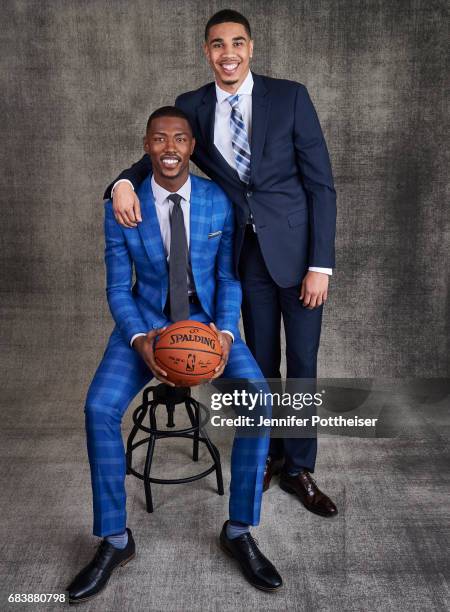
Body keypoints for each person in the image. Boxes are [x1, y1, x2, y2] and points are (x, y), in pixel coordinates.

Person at [106, 10, 338, 518]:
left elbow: (320, 183)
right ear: (206, 52)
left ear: (250, 48)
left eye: (236, 43)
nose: (227, 53)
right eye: (217, 44)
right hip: (243, 258)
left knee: (302, 364)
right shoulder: (193, 105)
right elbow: (161, 154)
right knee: (261, 362)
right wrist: (122, 182)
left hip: (299, 256)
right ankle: (268, 453)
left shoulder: (290, 96)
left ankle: (300, 466)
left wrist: (321, 263)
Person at [67, 107, 282, 603]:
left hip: (206, 327)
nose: (170, 149)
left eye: (180, 140)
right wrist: (142, 339)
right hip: (145, 325)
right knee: (98, 407)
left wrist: (226, 336)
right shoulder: (123, 206)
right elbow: (119, 288)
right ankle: (115, 540)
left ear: (191, 147)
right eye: (160, 140)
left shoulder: (216, 202)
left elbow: (228, 281)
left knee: (258, 398)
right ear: (146, 147)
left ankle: (239, 531)